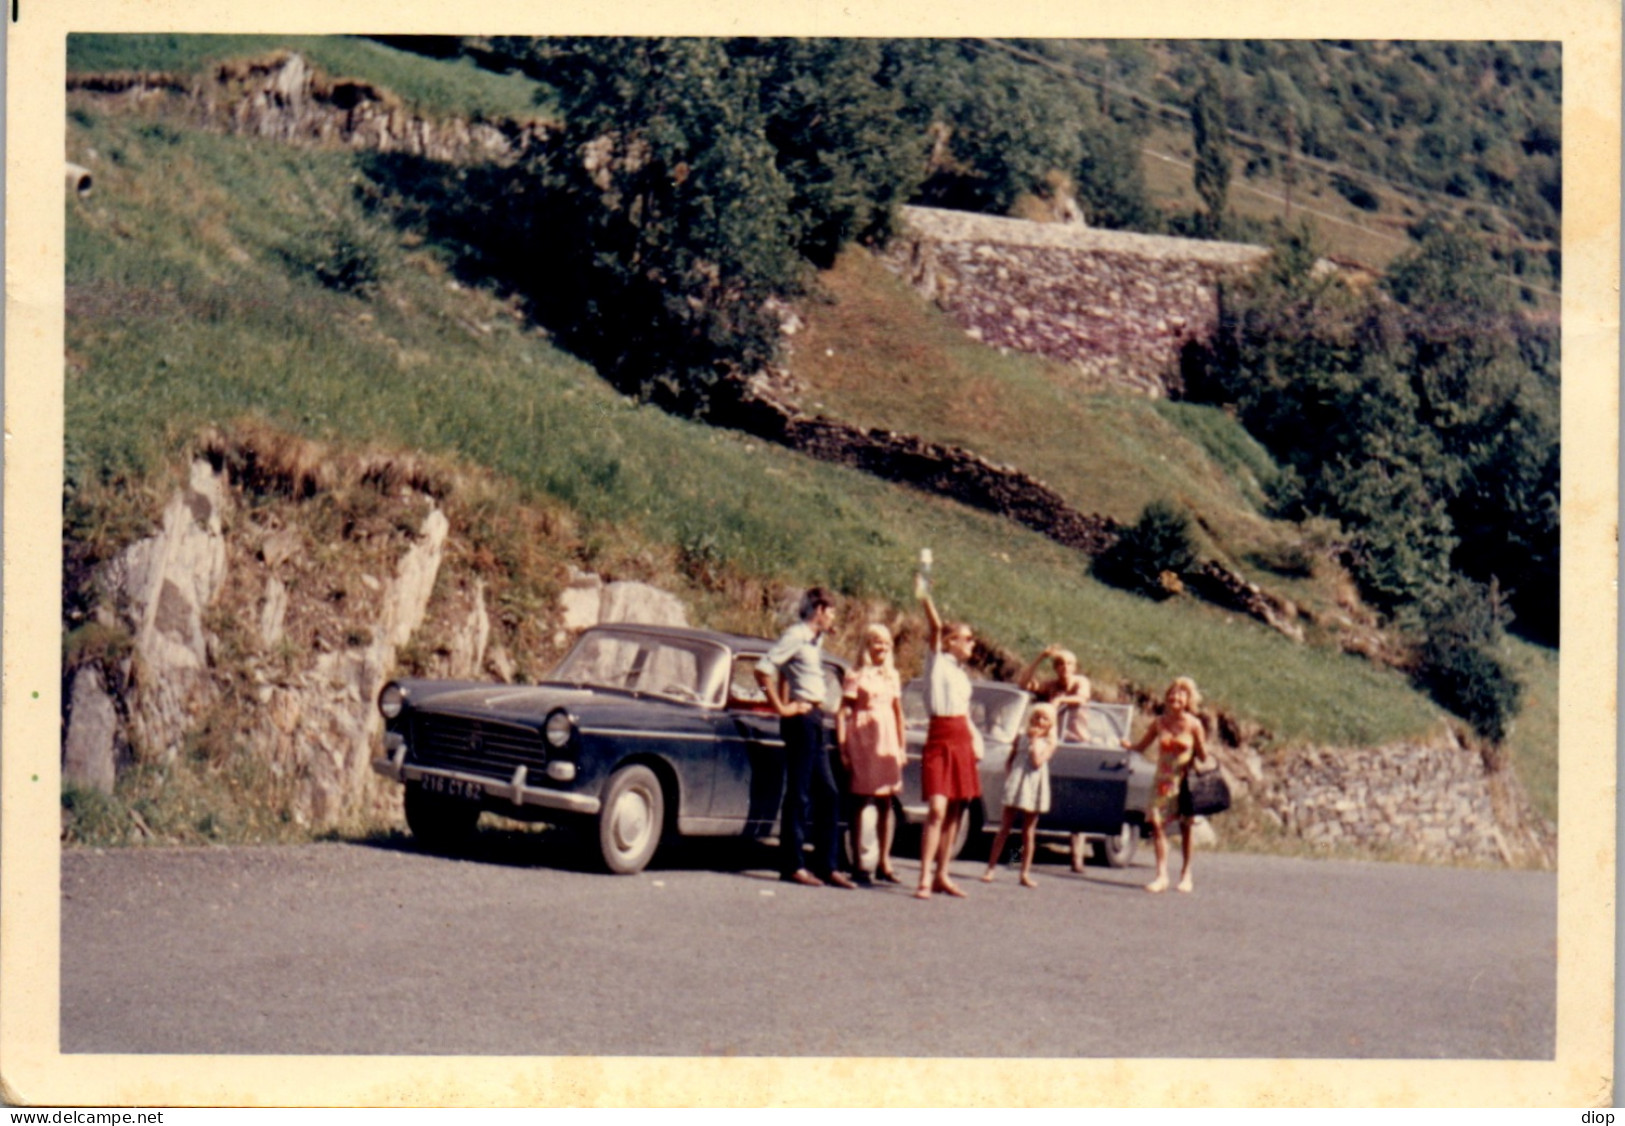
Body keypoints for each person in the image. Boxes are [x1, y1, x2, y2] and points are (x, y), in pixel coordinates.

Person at [756, 588, 857, 890]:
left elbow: (790, 670)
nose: (835, 617)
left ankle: (828, 865)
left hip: (816, 717)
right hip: (800, 719)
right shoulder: (796, 635)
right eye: (832, 611)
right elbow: (764, 670)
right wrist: (783, 708)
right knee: (799, 793)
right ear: (820, 609)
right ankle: (792, 865)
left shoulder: (814, 639)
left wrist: (824, 631)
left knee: (828, 792)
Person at [913, 574, 982, 900]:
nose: (972, 643)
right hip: (939, 738)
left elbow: (965, 713)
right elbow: (936, 626)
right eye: (967, 638)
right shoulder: (937, 662)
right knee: (938, 809)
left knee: (956, 808)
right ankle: (924, 877)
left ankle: (943, 874)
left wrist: (975, 739)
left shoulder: (961, 674)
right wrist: (925, 594)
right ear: (950, 640)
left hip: (961, 739)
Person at [1123, 676, 1209, 893]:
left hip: (1183, 782)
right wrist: (1127, 745)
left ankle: (1186, 873)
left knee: (1185, 827)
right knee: (1158, 826)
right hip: (1162, 782)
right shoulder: (1160, 722)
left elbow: (1203, 756)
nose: (1175, 697)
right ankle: (1161, 875)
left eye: (1181, 694)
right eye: (1172, 693)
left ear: (1189, 699)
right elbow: (1141, 746)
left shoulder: (1194, 724)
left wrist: (1196, 744)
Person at [837, 624, 906, 885]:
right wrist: (844, 748)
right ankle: (860, 863)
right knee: (861, 801)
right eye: (877, 642)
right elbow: (842, 712)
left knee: (886, 802)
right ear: (867, 644)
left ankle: (884, 862)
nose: (882, 648)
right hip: (863, 738)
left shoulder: (892, 675)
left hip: (886, 737)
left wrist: (900, 747)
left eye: (886, 643)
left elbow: (899, 712)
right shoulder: (856, 674)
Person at [1018, 645, 1092, 872]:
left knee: (1076, 801)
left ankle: (1077, 856)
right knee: (1033, 798)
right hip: (1051, 744)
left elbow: (1082, 697)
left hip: (1075, 744)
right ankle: (1018, 856)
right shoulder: (1051, 686)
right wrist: (1040, 657)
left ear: (1075, 666)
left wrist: (1060, 702)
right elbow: (1024, 684)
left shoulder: (1080, 682)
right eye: (1060, 664)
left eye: (1069, 664)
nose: (1064, 668)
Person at [980, 702, 1058, 889]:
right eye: (1037, 717)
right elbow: (1011, 759)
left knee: (1028, 831)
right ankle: (990, 868)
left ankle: (1024, 872)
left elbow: (1038, 762)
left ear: (1050, 723)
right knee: (1004, 827)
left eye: (1044, 718)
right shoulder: (1020, 737)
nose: (1039, 721)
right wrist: (1011, 776)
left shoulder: (1049, 742)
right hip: (1018, 781)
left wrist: (1033, 743)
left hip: (1034, 785)